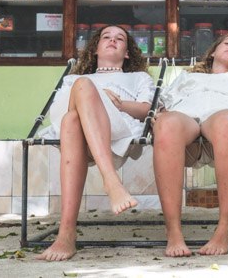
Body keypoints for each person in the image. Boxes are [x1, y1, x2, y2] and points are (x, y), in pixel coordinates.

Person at [37, 25, 155, 262]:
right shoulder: (73, 79)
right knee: (78, 99)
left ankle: (66, 235)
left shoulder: (137, 78)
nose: (113, 40)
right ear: (95, 49)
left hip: (114, 128)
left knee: (73, 119)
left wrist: (117, 103)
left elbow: (145, 109)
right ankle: (111, 181)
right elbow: (58, 110)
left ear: (128, 53)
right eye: (106, 37)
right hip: (74, 122)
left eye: (120, 39)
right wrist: (92, 93)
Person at [153, 32, 228, 257]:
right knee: (166, 123)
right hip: (187, 117)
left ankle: (226, 226)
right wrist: (160, 114)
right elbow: (165, 104)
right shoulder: (186, 77)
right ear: (213, 51)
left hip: (224, 118)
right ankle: (173, 230)